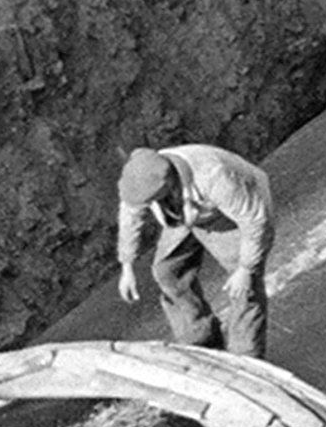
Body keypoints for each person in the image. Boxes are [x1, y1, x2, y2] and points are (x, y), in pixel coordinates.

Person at [116, 143, 276, 358]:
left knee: (244, 288)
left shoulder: (215, 176)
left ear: (169, 183)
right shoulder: (139, 179)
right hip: (184, 211)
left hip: (232, 213)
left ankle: (246, 356)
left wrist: (246, 269)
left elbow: (255, 221)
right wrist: (127, 266)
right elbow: (130, 217)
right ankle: (201, 341)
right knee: (166, 271)